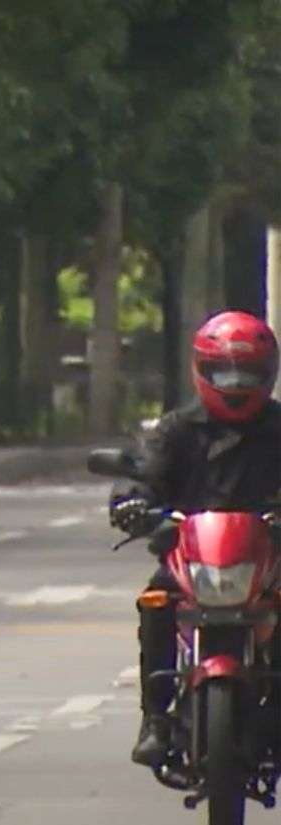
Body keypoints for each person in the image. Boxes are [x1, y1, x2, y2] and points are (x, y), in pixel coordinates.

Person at [109, 310, 281, 767]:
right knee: (156, 603)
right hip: (192, 559)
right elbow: (143, 475)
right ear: (202, 371)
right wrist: (132, 504)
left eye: (248, 372)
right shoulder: (176, 430)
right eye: (224, 371)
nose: (236, 382)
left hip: (269, 562)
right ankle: (156, 718)